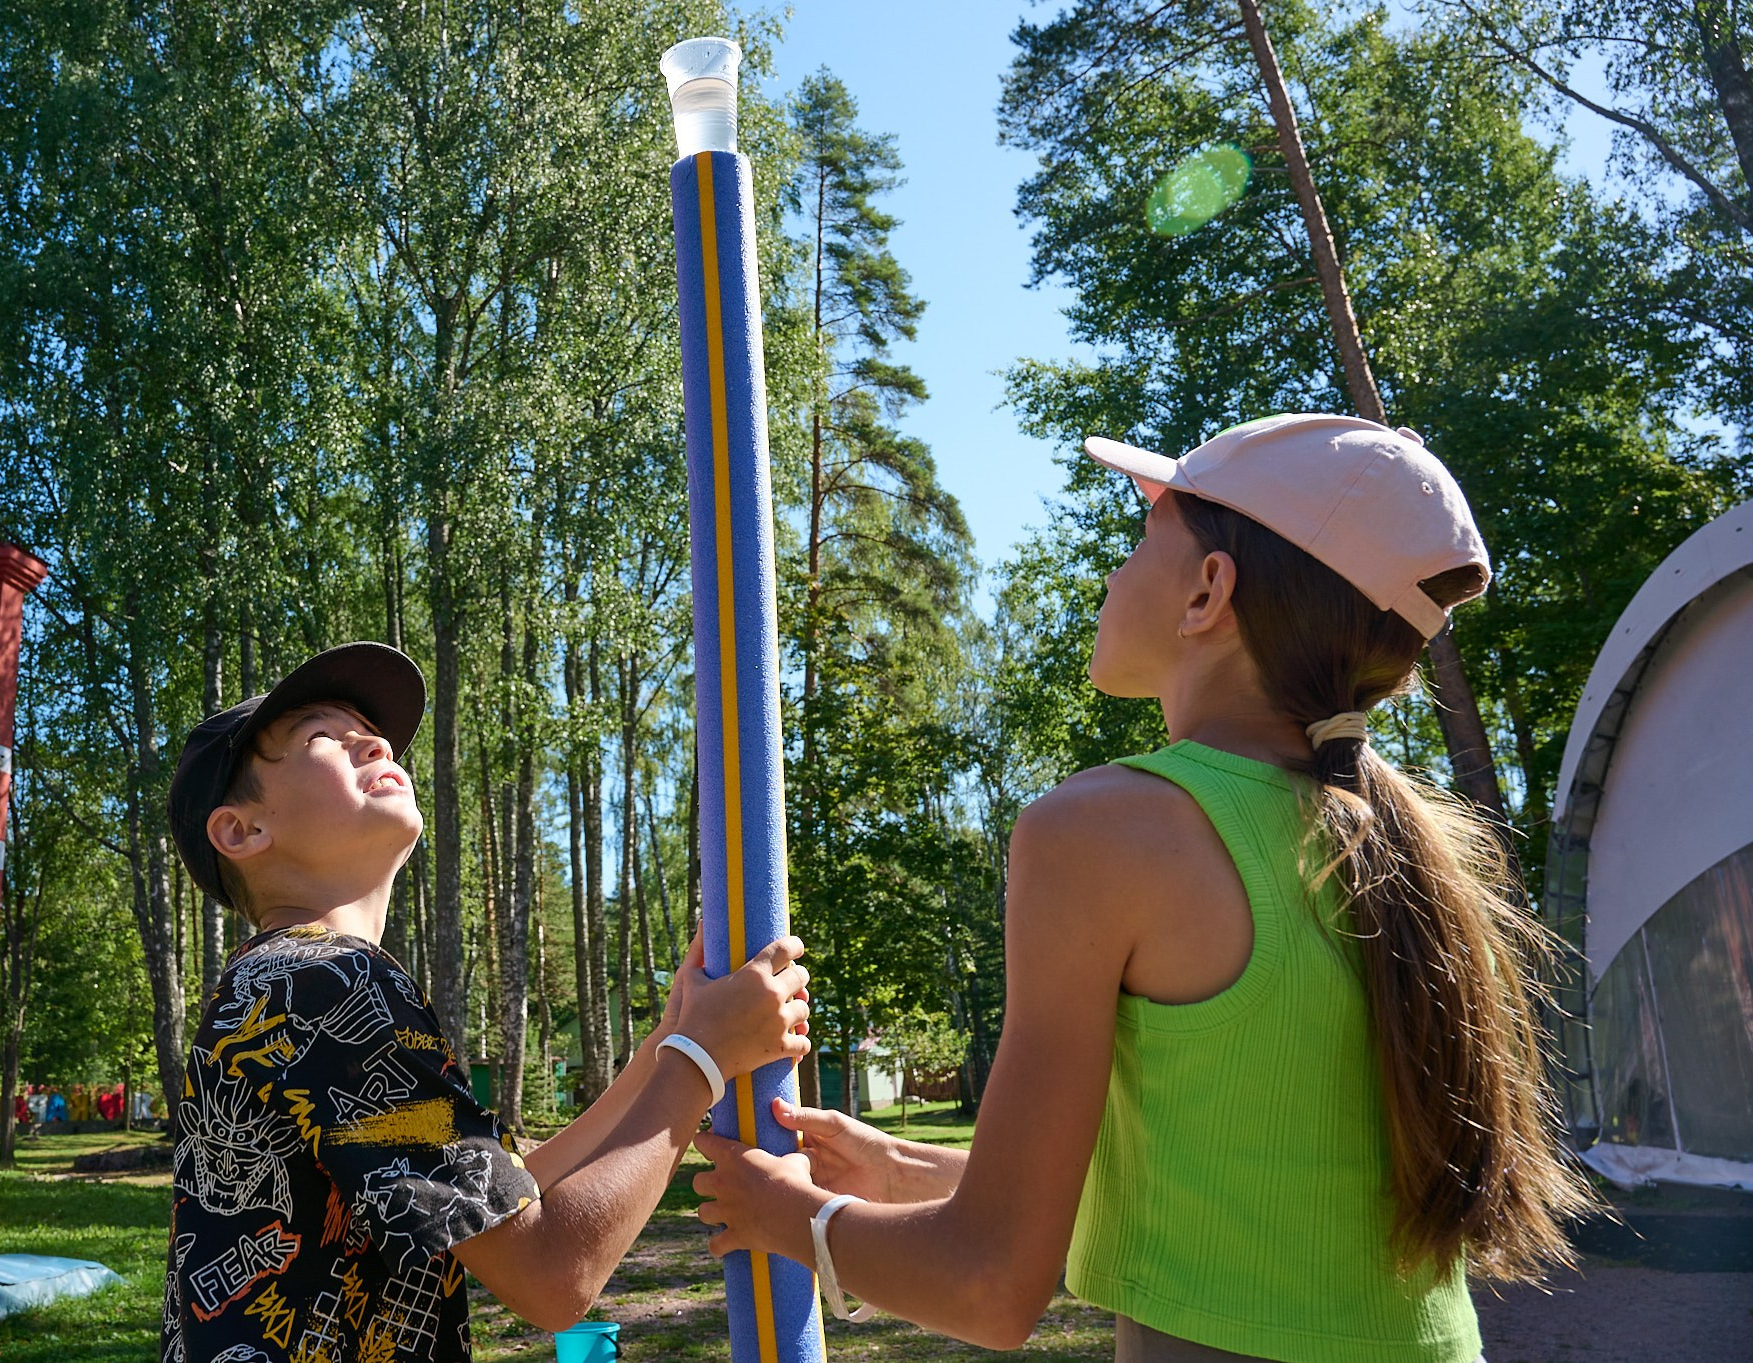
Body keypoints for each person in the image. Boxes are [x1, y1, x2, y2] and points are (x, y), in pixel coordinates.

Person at [691, 416, 1593, 1363]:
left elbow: (989, 1282)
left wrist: (788, 1213)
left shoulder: (1100, 832)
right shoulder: (1412, 851)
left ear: (1209, 590)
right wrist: (902, 1167)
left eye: (1140, 540)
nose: (1116, 574)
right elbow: (1235, 1198)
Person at [161, 641, 810, 1363]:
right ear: (242, 829)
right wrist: (703, 1059)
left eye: (368, 732)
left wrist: (668, 1042)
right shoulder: (331, 983)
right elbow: (551, 1275)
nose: (373, 739)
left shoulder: (281, 985)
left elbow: (503, 1195)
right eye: (325, 736)